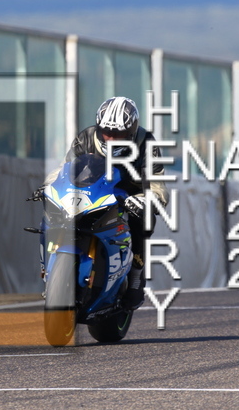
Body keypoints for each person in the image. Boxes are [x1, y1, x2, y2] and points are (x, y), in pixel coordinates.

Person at [37, 96, 169, 310]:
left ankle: (136, 277)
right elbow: (64, 169)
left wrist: (147, 200)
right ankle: (49, 269)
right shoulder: (86, 137)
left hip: (129, 192)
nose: (111, 138)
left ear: (132, 131)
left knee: (143, 220)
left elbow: (157, 184)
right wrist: (48, 186)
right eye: (106, 132)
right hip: (92, 191)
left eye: (118, 134)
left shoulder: (147, 143)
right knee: (51, 211)